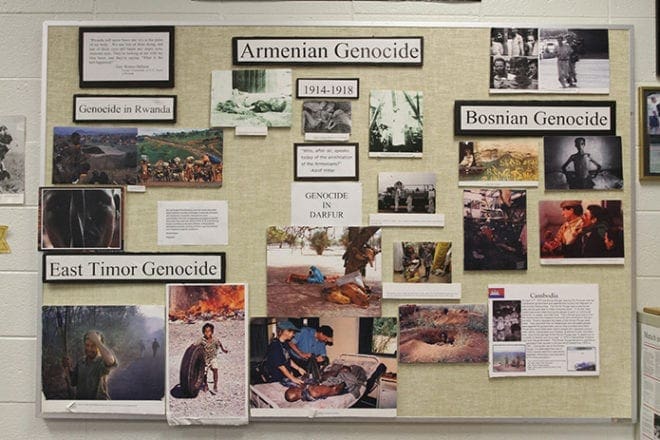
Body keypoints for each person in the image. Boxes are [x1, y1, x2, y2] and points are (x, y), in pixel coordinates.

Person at [62, 330, 117, 400]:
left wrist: (97, 340)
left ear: (99, 345)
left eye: (93, 345)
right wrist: (67, 368)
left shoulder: (102, 361)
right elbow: (73, 382)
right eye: (87, 345)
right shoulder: (81, 362)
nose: (89, 349)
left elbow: (110, 361)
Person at [284, 363, 368, 403]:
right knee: (351, 370)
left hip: (329, 382)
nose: (295, 385)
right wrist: (342, 378)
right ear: (295, 391)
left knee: (328, 373)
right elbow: (335, 390)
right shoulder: (313, 391)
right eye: (293, 387)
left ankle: (340, 370)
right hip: (343, 385)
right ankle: (345, 370)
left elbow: (315, 382)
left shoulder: (304, 392)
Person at [264, 321, 307, 386]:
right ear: (285, 331)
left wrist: (298, 368)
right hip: (276, 379)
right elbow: (281, 366)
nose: (294, 335)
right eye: (293, 332)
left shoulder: (285, 344)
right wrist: (293, 378)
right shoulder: (275, 346)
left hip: (284, 377)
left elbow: (288, 359)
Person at [199, 323, 229, 393]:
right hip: (205, 359)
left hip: (213, 358)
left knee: (215, 369)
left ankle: (215, 385)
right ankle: (205, 384)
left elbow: (219, 343)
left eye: (209, 331)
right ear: (203, 332)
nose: (207, 333)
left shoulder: (215, 339)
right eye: (205, 331)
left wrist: (223, 350)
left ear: (212, 332)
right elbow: (195, 345)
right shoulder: (201, 340)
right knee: (204, 373)